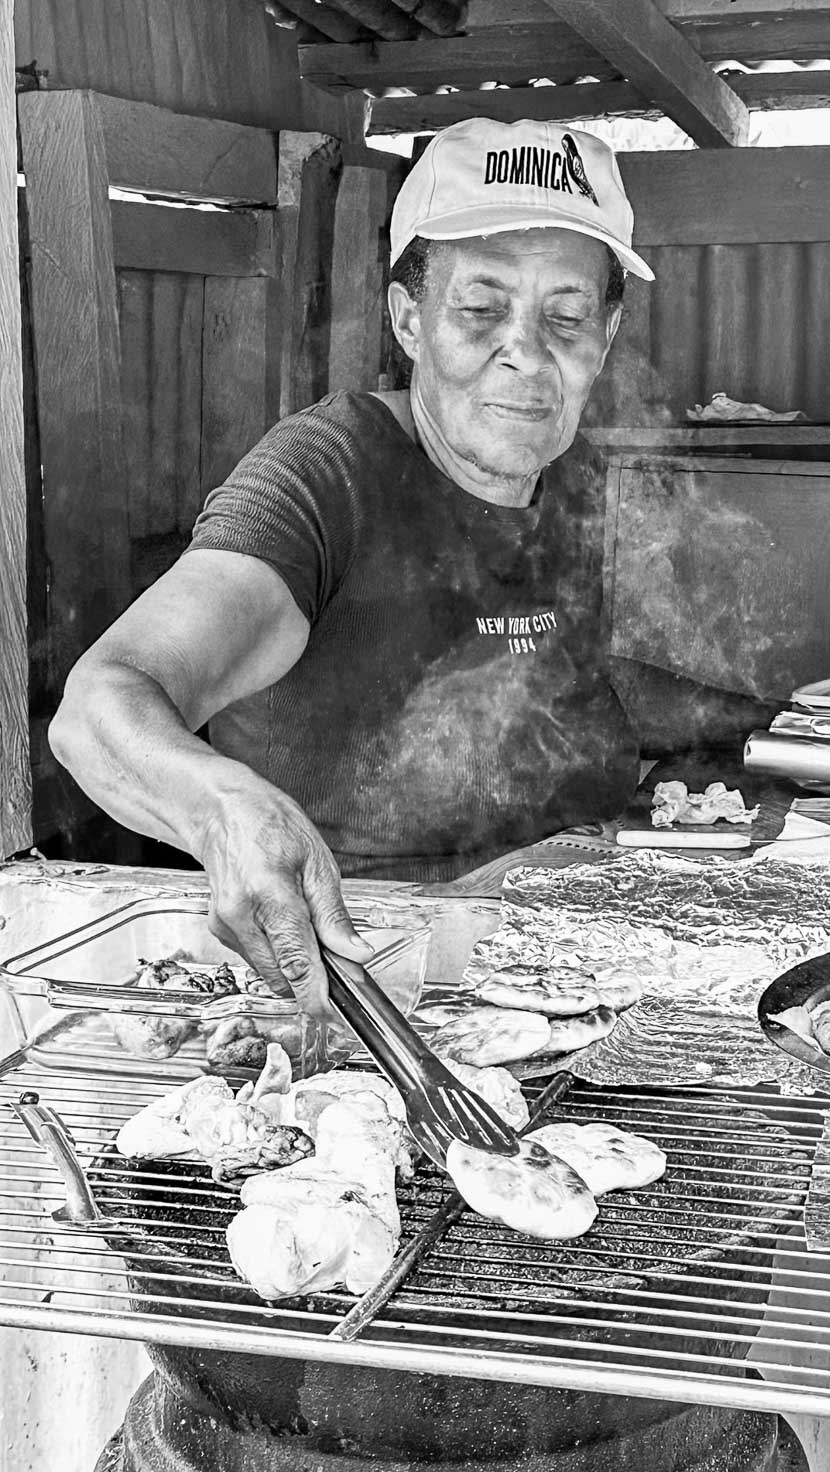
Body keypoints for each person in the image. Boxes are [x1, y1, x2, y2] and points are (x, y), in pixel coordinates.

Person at [49, 117, 656, 1013]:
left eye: (565, 318)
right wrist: (223, 812)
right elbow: (100, 707)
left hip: (565, 955)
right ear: (409, 319)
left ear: (602, 338)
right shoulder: (322, 475)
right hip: (372, 979)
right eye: (481, 309)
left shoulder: (573, 478)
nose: (526, 351)